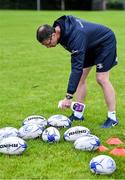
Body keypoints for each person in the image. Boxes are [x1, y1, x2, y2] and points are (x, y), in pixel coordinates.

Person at [36, 15, 119, 128]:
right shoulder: (59, 28)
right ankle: (78, 114)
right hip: (88, 45)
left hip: (104, 43)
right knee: (81, 79)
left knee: (101, 78)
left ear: (54, 34)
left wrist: (68, 97)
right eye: (45, 45)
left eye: (48, 43)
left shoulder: (75, 36)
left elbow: (76, 68)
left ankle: (112, 118)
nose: (49, 47)